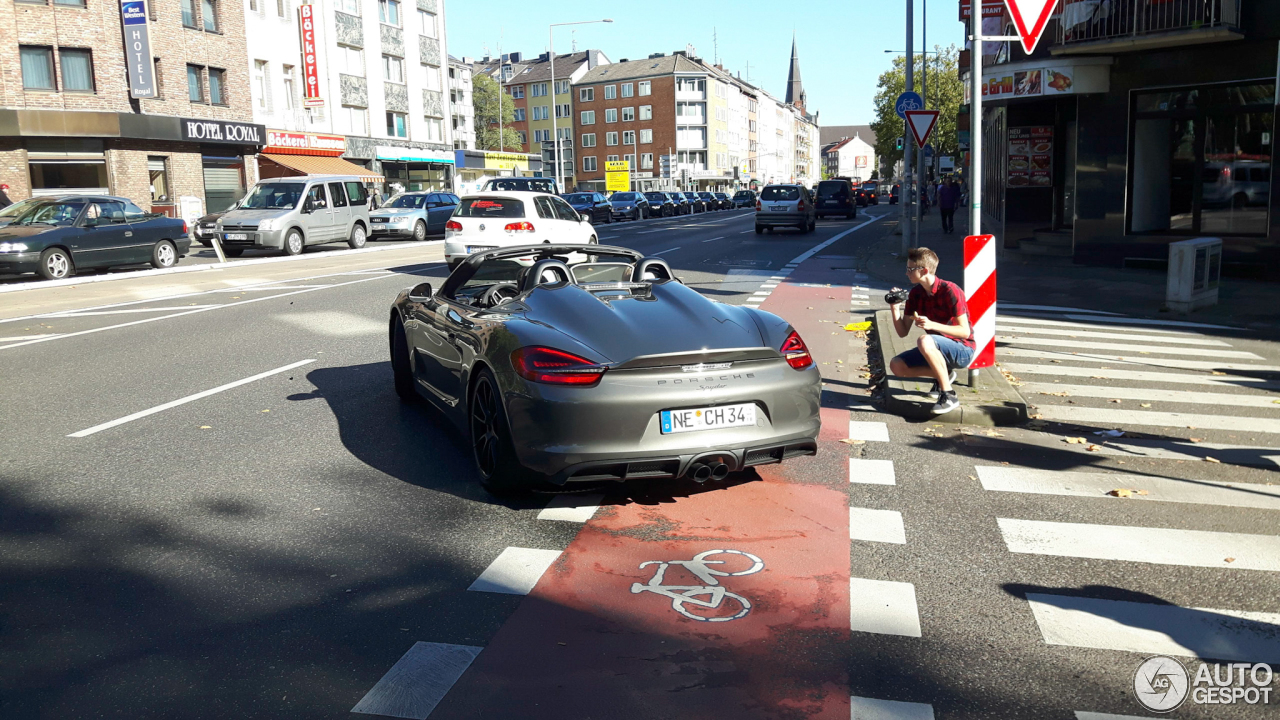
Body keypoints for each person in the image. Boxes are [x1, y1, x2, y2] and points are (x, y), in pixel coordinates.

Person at [887, 247, 974, 415]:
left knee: (924, 340)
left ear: (924, 270)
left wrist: (932, 325)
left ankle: (949, 395)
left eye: (910, 269)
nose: (906, 273)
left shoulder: (950, 290)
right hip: (935, 349)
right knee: (896, 365)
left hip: (962, 349)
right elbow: (902, 332)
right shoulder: (916, 294)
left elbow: (964, 332)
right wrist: (894, 308)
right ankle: (944, 374)